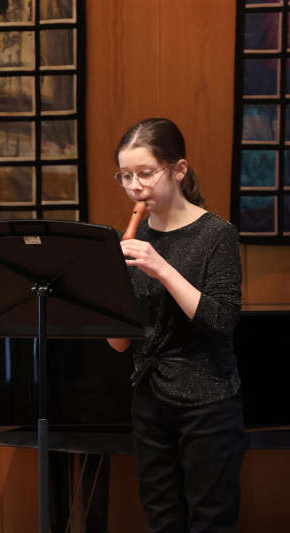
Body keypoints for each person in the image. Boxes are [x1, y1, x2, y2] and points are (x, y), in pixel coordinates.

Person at [107, 118, 246, 533]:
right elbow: (118, 344)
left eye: (145, 173)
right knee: (161, 518)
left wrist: (161, 267)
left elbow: (221, 320)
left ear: (179, 170)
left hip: (207, 401)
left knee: (210, 521)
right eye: (125, 176)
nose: (135, 186)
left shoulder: (217, 234)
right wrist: (104, 290)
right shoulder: (130, 238)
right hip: (149, 398)